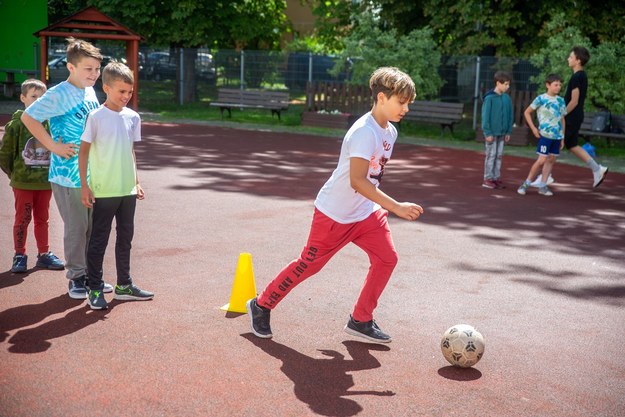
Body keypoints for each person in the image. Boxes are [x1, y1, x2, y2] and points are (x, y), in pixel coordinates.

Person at [246, 67, 424, 343]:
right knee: (309, 265)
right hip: (335, 214)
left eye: (408, 103)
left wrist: (382, 207)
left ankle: (361, 319)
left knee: (387, 259)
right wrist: (396, 206)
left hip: (365, 213)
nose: (406, 108)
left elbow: (370, 181)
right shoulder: (364, 133)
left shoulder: (390, 132)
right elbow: (358, 181)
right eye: (402, 102)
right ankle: (261, 304)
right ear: (381, 98)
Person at [21, 37, 113, 298]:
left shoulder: (90, 91)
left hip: (92, 174)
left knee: (94, 229)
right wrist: (53, 146)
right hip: (68, 175)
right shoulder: (58, 93)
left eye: (97, 69)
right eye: (88, 69)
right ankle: (76, 278)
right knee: (77, 229)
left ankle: (92, 275)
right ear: (71, 67)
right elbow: (29, 117)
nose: (94, 74)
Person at [78, 62, 153, 310]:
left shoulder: (133, 117)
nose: (126, 96)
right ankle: (95, 287)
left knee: (125, 238)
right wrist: (85, 186)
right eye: (121, 91)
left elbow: (130, 151)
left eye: (129, 92)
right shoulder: (96, 117)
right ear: (106, 87)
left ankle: (124, 286)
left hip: (127, 191)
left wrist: (137, 182)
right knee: (99, 239)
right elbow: (84, 153)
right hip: (104, 190)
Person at [0, 79, 65, 273]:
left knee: (42, 219)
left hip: (44, 183)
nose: (38, 101)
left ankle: (44, 254)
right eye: (33, 97)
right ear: (23, 98)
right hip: (23, 183)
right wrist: (17, 174)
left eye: (42, 97)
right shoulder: (16, 124)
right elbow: (5, 154)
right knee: (23, 218)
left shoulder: (51, 123)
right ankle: (20, 255)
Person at [563, 46, 608, 188]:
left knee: (555, 143)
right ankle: (597, 169)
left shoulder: (577, 77)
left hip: (571, 117)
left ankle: (545, 177)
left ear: (578, 60)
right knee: (572, 145)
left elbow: (574, 101)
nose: (568, 59)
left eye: (571, 57)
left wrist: (561, 113)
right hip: (576, 116)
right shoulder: (582, 75)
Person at [517, 74, 567, 197]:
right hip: (545, 135)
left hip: (557, 136)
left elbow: (562, 119)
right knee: (541, 160)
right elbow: (527, 112)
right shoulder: (541, 99)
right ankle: (526, 183)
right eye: (556, 85)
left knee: (551, 160)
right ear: (548, 85)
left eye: (560, 85)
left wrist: (562, 137)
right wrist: (534, 128)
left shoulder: (561, 101)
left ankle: (543, 186)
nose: (558, 87)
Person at [481, 71, 513, 189]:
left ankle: (496, 177)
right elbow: (485, 117)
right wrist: (487, 132)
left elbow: (510, 115)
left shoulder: (507, 98)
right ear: (498, 83)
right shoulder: (489, 98)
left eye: (508, 84)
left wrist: (508, 131)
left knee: (499, 155)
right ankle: (488, 178)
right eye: (505, 84)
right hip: (492, 133)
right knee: (491, 155)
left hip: (502, 133)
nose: (507, 87)